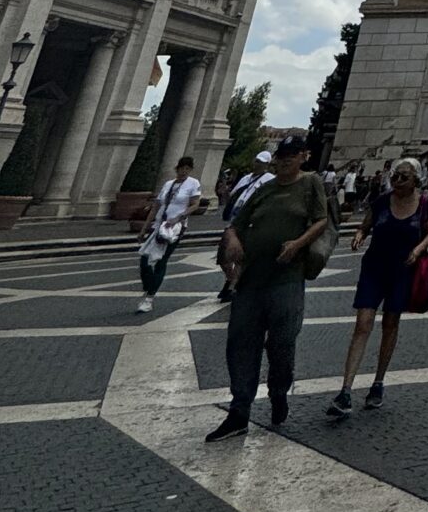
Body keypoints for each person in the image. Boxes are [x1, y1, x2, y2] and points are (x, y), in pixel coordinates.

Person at [209, 136, 334, 439]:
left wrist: (297, 244)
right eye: (282, 155)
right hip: (252, 279)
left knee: (282, 344)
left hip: (286, 280)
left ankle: (279, 390)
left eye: (291, 155)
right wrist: (235, 239)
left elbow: (321, 220)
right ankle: (239, 411)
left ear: (303, 156)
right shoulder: (263, 189)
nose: (285, 160)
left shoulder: (311, 184)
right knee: (240, 344)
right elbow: (236, 223)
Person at [328, 158, 428, 420]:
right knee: (363, 323)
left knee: (390, 324)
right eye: (395, 176)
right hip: (374, 268)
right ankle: (345, 390)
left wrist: (418, 249)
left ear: (415, 181)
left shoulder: (423, 205)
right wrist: (359, 235)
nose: (397, 181)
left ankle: (378, 383)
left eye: (403, 177)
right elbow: (365, 225)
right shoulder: (381, 202)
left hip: (402, 272)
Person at [136, 157, 205, 314]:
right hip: (159, 225)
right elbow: (156, 207)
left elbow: (195, 204)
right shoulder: (168, 184)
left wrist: (179, 217)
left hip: (175, 227)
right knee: (144, 259)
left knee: (161, 260)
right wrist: (144, 228)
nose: (184, 171)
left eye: (188, 168)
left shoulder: (193, 184)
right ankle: (149, 285)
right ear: (177, 168)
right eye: (182, 168)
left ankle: (149, 298)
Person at [214, 149, 274, 303]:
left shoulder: (270, 179)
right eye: (256, 161)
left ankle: (232, 287)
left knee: (241, 258)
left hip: (251, 223)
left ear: (267, 164)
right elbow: (233, 195)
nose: (257, 164)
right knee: (223, 258)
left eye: (260, 162)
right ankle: (232, 280)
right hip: (234, 221)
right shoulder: (246, 178)